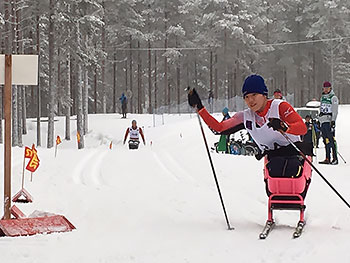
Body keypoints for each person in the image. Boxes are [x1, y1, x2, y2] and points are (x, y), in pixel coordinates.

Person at [188, 74, 312, 195]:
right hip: (274, 159)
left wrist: (285, 127)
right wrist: (200, 108)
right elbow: (220, 128)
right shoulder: (246, 116)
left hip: (295, 154)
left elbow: (302, 128)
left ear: (264, 95)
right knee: (276, 167)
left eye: (254, 95)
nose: (250, 100)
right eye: (246, 97)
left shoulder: (279, 106)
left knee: (289, 168)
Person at [318, 81, 339, 165]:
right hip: (323, 120)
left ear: (330, 88)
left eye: (327, 88)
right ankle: (327, 158)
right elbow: (321, 108)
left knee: (331, 139)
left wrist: (333, 120)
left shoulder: (333, 97)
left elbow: (335, 110)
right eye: (324, 88)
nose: (326, 90)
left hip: (329, 120)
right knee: (325, 140)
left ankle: (335, 158)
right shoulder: (323, 97)